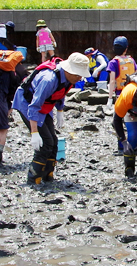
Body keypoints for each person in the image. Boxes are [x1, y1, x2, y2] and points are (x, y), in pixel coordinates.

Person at [13, 52, 92, 185]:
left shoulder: (69, 79)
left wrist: (60, 111)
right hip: (27, 103)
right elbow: (33, 106)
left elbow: (61, 93)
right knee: (45, 143)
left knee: (53, 142)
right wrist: (34, 132)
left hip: (45, 105)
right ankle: (33, 179)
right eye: (78, 74)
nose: (80, 78)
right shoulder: (48, 79)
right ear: (69, 70)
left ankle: (48, 177)